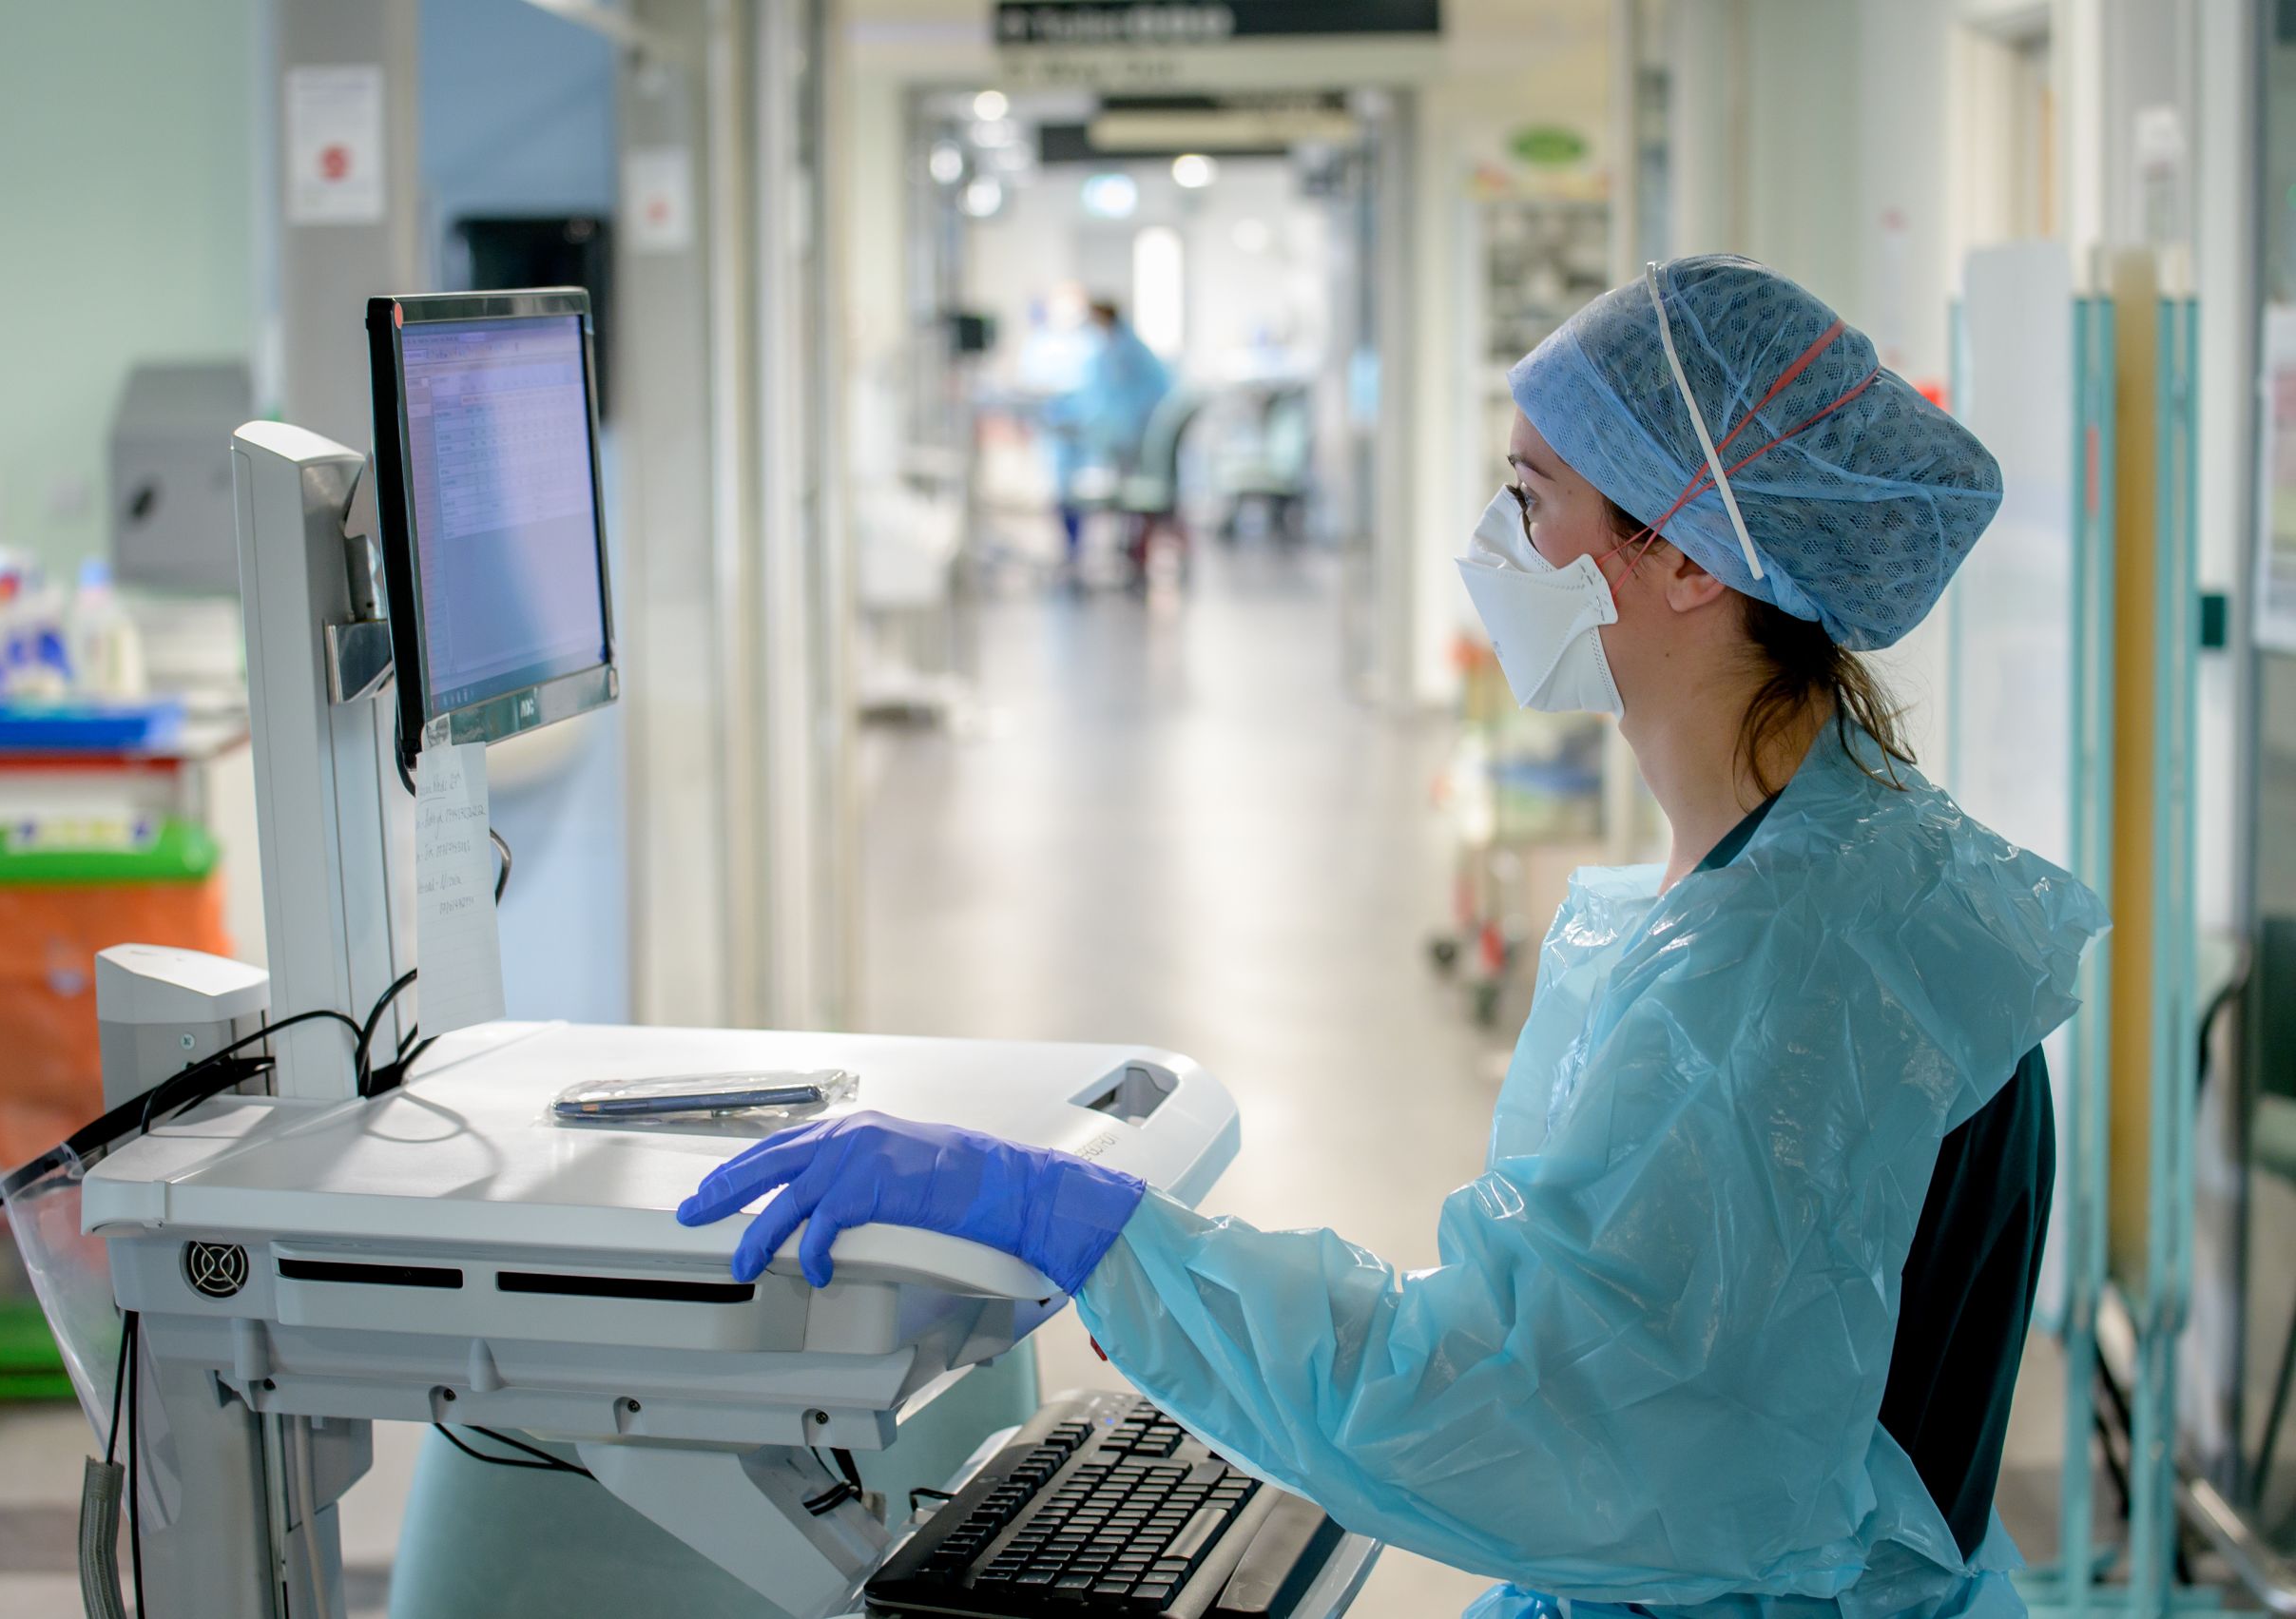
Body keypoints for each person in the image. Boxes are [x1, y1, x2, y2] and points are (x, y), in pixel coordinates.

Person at [678, 256, 2107, 1619]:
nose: (1497, 543)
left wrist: (1097, 1233)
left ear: (1683, 558)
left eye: (1528, 495)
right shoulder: (1860, 860)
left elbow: (1516, 1404)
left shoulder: (1760, 985)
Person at [1046, 298, 1171, 571]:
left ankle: (1079, 552)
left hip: (1129, 437)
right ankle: (1080, 551)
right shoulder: (1113, 349)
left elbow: (1119, 401)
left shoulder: (1124, 352)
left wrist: (1086, 422)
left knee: (1071, 482)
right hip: (1120, 436)